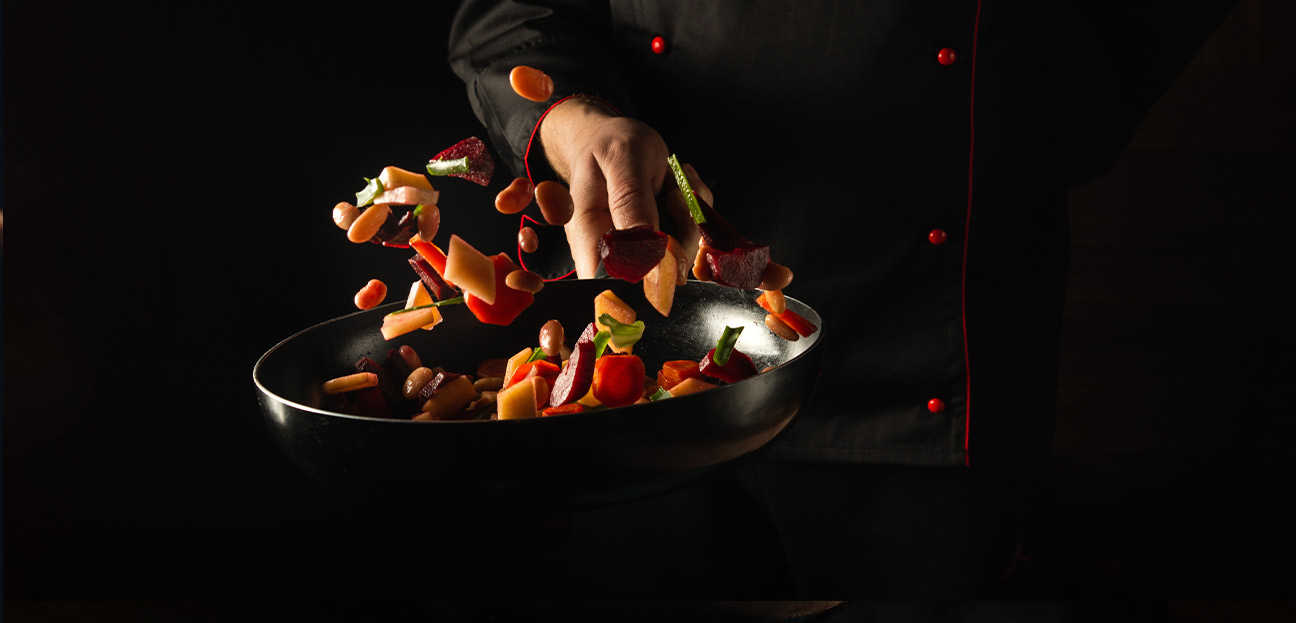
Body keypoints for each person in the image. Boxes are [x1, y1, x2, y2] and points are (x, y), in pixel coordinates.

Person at [448, 0, 1236, 600]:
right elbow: (507, 15)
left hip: (925, 372)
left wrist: (1024, 106)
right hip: (650, 382)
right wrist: (574, 122)